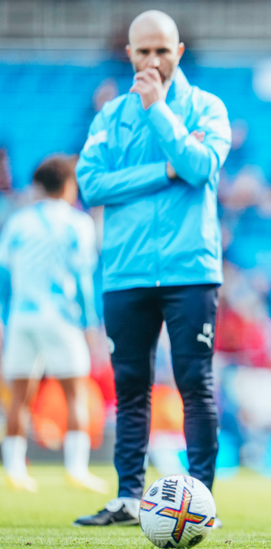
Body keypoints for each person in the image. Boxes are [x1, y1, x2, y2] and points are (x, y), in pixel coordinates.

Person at [73, 10, 231, 527]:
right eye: (144, 52)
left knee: (194, 383)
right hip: (126, 272)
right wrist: (163, 171)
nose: (153, 61)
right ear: (130, 55)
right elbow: (91, 185)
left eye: (162, 50)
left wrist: (160, 111)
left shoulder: (207, 107)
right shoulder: (110, 116)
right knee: (130, 387)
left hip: (192, 270)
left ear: (178, 52)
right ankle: (128, 497)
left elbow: (202, 167)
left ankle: (201, 498)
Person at [0, 155, 105, 494]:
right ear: (69, 185)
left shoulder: (18, 222)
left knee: (19, 396)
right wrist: (91, 324)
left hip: (22, 316)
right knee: (76, 392)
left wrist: (4, 317)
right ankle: (76, 468)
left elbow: (4, 275)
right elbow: (84, 278)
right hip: (61, 317)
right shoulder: (78, 223)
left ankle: (15, 469)